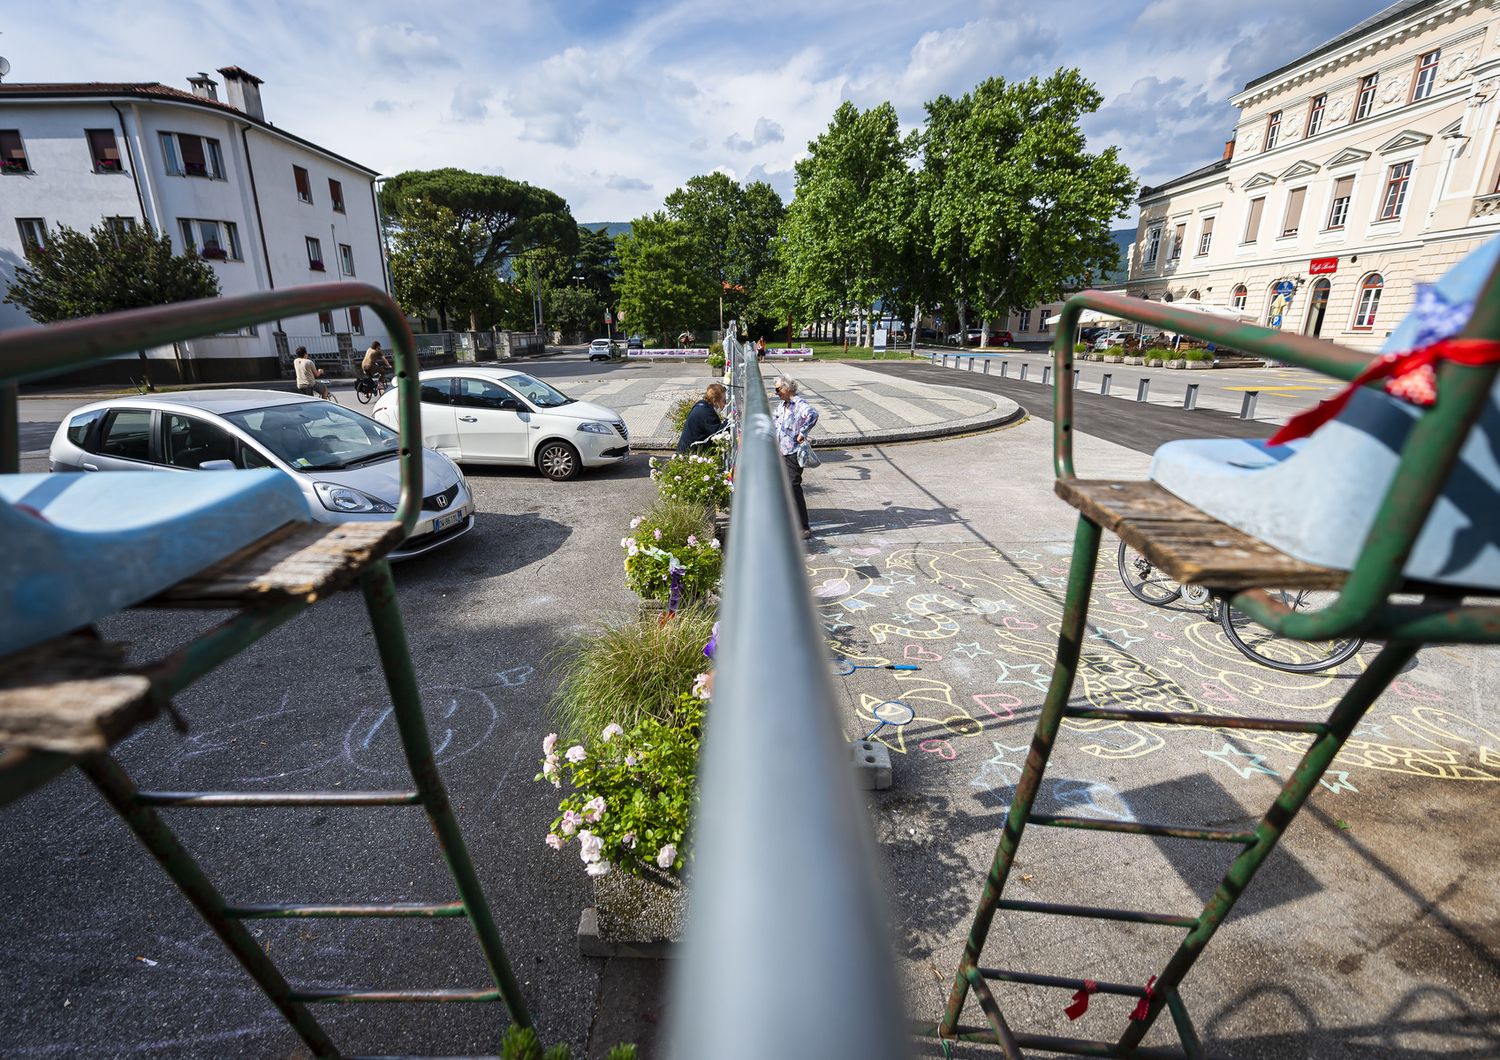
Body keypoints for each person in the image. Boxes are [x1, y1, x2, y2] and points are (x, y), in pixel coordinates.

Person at [772, 376, 819, 539]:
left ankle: (803, 526)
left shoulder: (799, 404)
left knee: (793, 486)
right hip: (780, 449)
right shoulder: (782, 405)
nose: (776, 392)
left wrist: (803, 432)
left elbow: (813, 415)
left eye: (778, 389)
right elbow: (774, 421)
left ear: (787, 388)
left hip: (792, 451)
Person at [677, 383, 727, 454]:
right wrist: (728, 421)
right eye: (724, 400)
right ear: (715, 401)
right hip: (690, 453)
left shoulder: (701, 405)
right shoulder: (707, 413)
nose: (725, 404)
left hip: (684, 448)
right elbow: (719, 433)